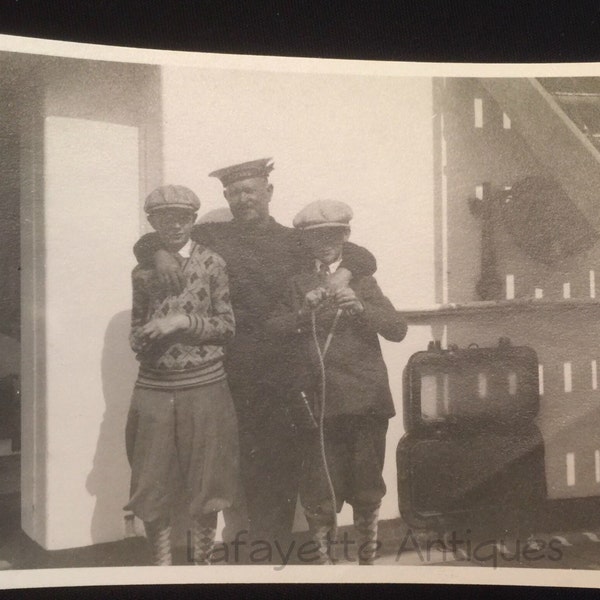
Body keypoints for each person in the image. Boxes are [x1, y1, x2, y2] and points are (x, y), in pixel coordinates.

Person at [133, 159, 377, 560]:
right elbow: (152, 238)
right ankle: (240, 551)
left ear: (268, 191)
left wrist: (344, 274)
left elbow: (361, 254)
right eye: (235, 192)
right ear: (226, 197)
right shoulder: (214, 235)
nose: (243, 198)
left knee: (278, 465)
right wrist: (157, 252)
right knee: (228, 466)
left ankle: (272, 553)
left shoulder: (294, 239)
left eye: (252, 190)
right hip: (227, 368)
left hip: (285, 369)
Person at [266, 199, 407, 565]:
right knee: (318, 488)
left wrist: (362, 308)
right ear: (306, 242)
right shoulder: (297, 284)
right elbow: (272, 329)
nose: (325, 242)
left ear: (345, 235)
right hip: (319, 404)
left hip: (364, 401)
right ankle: (323, 567)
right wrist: (303, 312)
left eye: (333, 234)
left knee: (366, 486)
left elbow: (398, 329)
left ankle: (367, 563)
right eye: (317, 237)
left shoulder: (362, 279)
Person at [125, 185, 239, 566]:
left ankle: (203, 566)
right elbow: (135, 332)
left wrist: (180, 322)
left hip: (205, 386)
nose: (174, 225)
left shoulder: (213, 263)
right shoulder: (142, 271)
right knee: (150, 480)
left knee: (209, 482)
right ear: (152, 222)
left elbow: (226, 327)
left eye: (183, 217)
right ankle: (162, 568)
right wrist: (145, 335)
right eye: (164, 218)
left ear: (193, 220)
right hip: (155, 387)